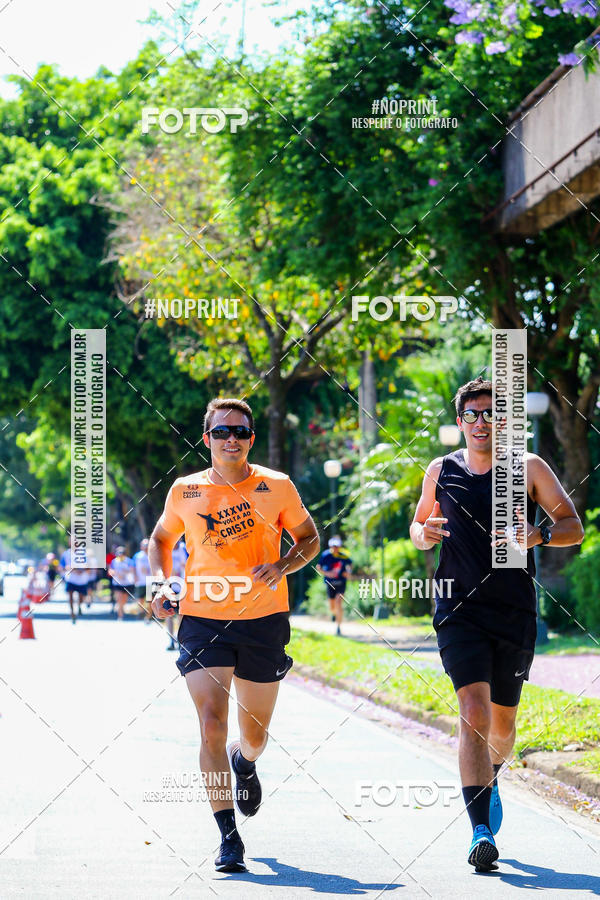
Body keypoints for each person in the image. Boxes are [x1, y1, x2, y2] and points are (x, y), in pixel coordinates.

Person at [410, 376, 584, 872]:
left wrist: (538, 534)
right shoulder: (441, 469)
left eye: (491, 414)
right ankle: (480, 830)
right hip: (457, 607)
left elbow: (573, 527)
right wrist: (424, 533)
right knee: (473, 712)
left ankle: (491, 776)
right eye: (472, 414)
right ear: (460, 420)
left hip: (513, 610)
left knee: (502, 729)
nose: (482, 422)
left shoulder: (527, 467)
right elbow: (419, 529)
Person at [150, 397, 319, 874]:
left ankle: (245, 762)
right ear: (206, 439)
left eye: (240, 432)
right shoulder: (185, 491)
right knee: (210, 722)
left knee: (255, 735)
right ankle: (228, 836)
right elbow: (161, 540)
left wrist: (284, 564)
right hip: (203, 618)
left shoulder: (277, 487)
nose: (231, 439)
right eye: (221, 431)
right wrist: (162, 583)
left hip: (264, 620)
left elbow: (310, 538)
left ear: (250, 439)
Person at [316, 535, 352, 636]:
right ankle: (334, 614)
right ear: (330, 546)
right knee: (332, 606)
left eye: (337, 546)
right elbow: (318, 567)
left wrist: (348, 572)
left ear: (339, 546)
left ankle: (338, 627)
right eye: (333, 546)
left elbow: (350, 565)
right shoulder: (326, 555)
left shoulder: (344, 556)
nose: (335, 548)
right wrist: (327, 573)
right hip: (329, 583)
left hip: (341, 583)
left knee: (339, 602)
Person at [59, 543, 90, 624]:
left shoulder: (84, 553)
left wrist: (82, 570)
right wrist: (68, 569)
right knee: (70, 596)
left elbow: (88, 566)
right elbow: (62, 566)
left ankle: (79, 606)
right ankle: (72, 613)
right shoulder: (66, 554)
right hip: (71, 579)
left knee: (81, 597)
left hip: (82, 579)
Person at [108, 546, 136, 621]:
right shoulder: (114, 561)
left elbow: (132, 570)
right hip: (117, 583)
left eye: (121, 553)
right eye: (118, 553)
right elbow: (110, 571)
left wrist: (124, 573)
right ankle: (120, 615)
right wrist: (115, 573)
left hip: (127, 583)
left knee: (124, 599)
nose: (120, 554)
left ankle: (121, 609)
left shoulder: (129, 561)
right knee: (119, 598)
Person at [133, 539, 152, 622]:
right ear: (141, 547)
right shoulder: (137, 556)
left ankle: (148, 617)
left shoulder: (153, 555)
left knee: (150, 600)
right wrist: (135, 577)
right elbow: (133, 567)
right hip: (140, 581)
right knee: (140, 599)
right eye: (144, 546)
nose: (145, 548)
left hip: (150, 581)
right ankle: (141, 612)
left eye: (147, 546)